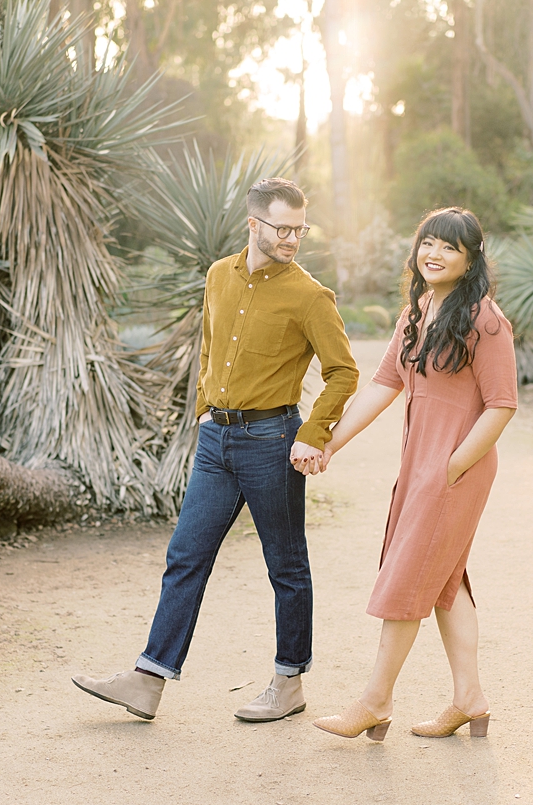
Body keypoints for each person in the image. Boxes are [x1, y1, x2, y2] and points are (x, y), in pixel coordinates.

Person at [72, 178, 359, 723]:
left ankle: (289, 681)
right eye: (282, 228)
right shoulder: (218, 276)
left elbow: (344, 372)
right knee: (185, 556)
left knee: (287, 567)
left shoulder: (309, 295)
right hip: (216, 442)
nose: (293, 238)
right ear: (253, 224)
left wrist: (312, 433)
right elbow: (209, 342)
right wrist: (204, 404)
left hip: (273, 443)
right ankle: (148, 679)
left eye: (300, 229)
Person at [309, 207, 517, 741]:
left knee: (406, 576)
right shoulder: (418, 311)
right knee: (448, 582)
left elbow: (501, 405)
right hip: (419, 464)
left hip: (454, 469)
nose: (435, 253)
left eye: (450, 247)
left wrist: (450, 467)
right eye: (428, 242)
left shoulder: (486, 320)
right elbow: (382, 386)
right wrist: (328, 441)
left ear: (470, 260)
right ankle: (470, 699)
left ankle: (374, 702)